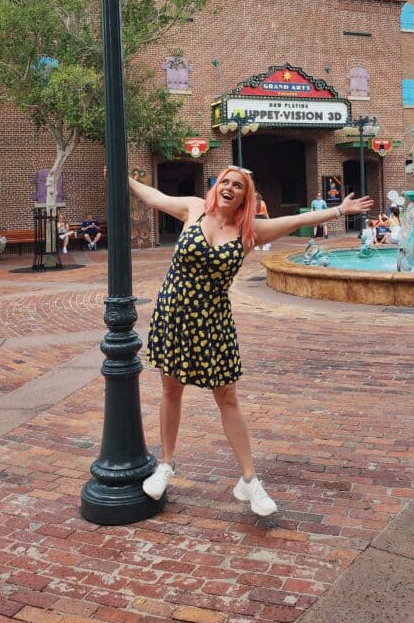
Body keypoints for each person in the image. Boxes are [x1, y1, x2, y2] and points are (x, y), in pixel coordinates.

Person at [128, 166, 373, 516]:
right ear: (217, 187)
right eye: (225, 182)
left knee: (227, 396)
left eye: (237, 186)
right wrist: (125, 179)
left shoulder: (251, 231)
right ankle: (165, 465)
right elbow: (154, 197)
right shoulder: (194, 209)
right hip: (175, 312)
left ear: (246, 196)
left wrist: (339, 210)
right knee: (171, 389)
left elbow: (291, 221)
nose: (229, 188)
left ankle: (249, 481)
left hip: (214, 321)